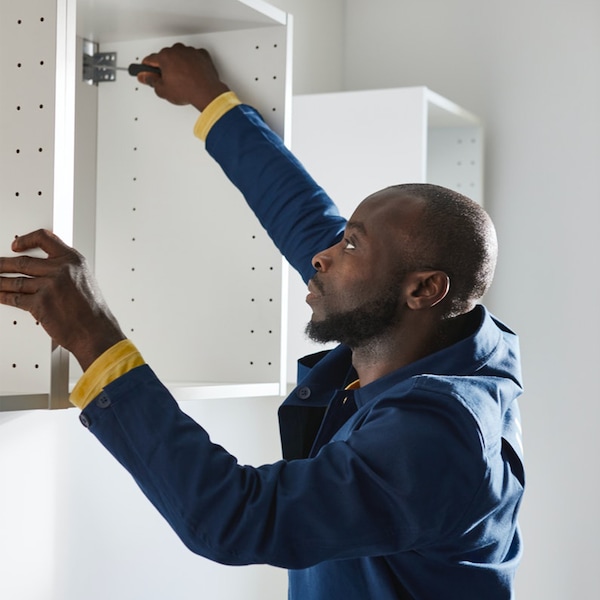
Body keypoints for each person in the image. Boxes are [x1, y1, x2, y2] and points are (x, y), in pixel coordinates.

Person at [0, 44, 524, 599]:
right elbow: (304, 218)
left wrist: (90, 334)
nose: (323, 257)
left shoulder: (441, 439)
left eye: (351, 245)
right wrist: (210, 99)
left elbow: (234, 517)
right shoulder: (421, 329)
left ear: (423, 288)